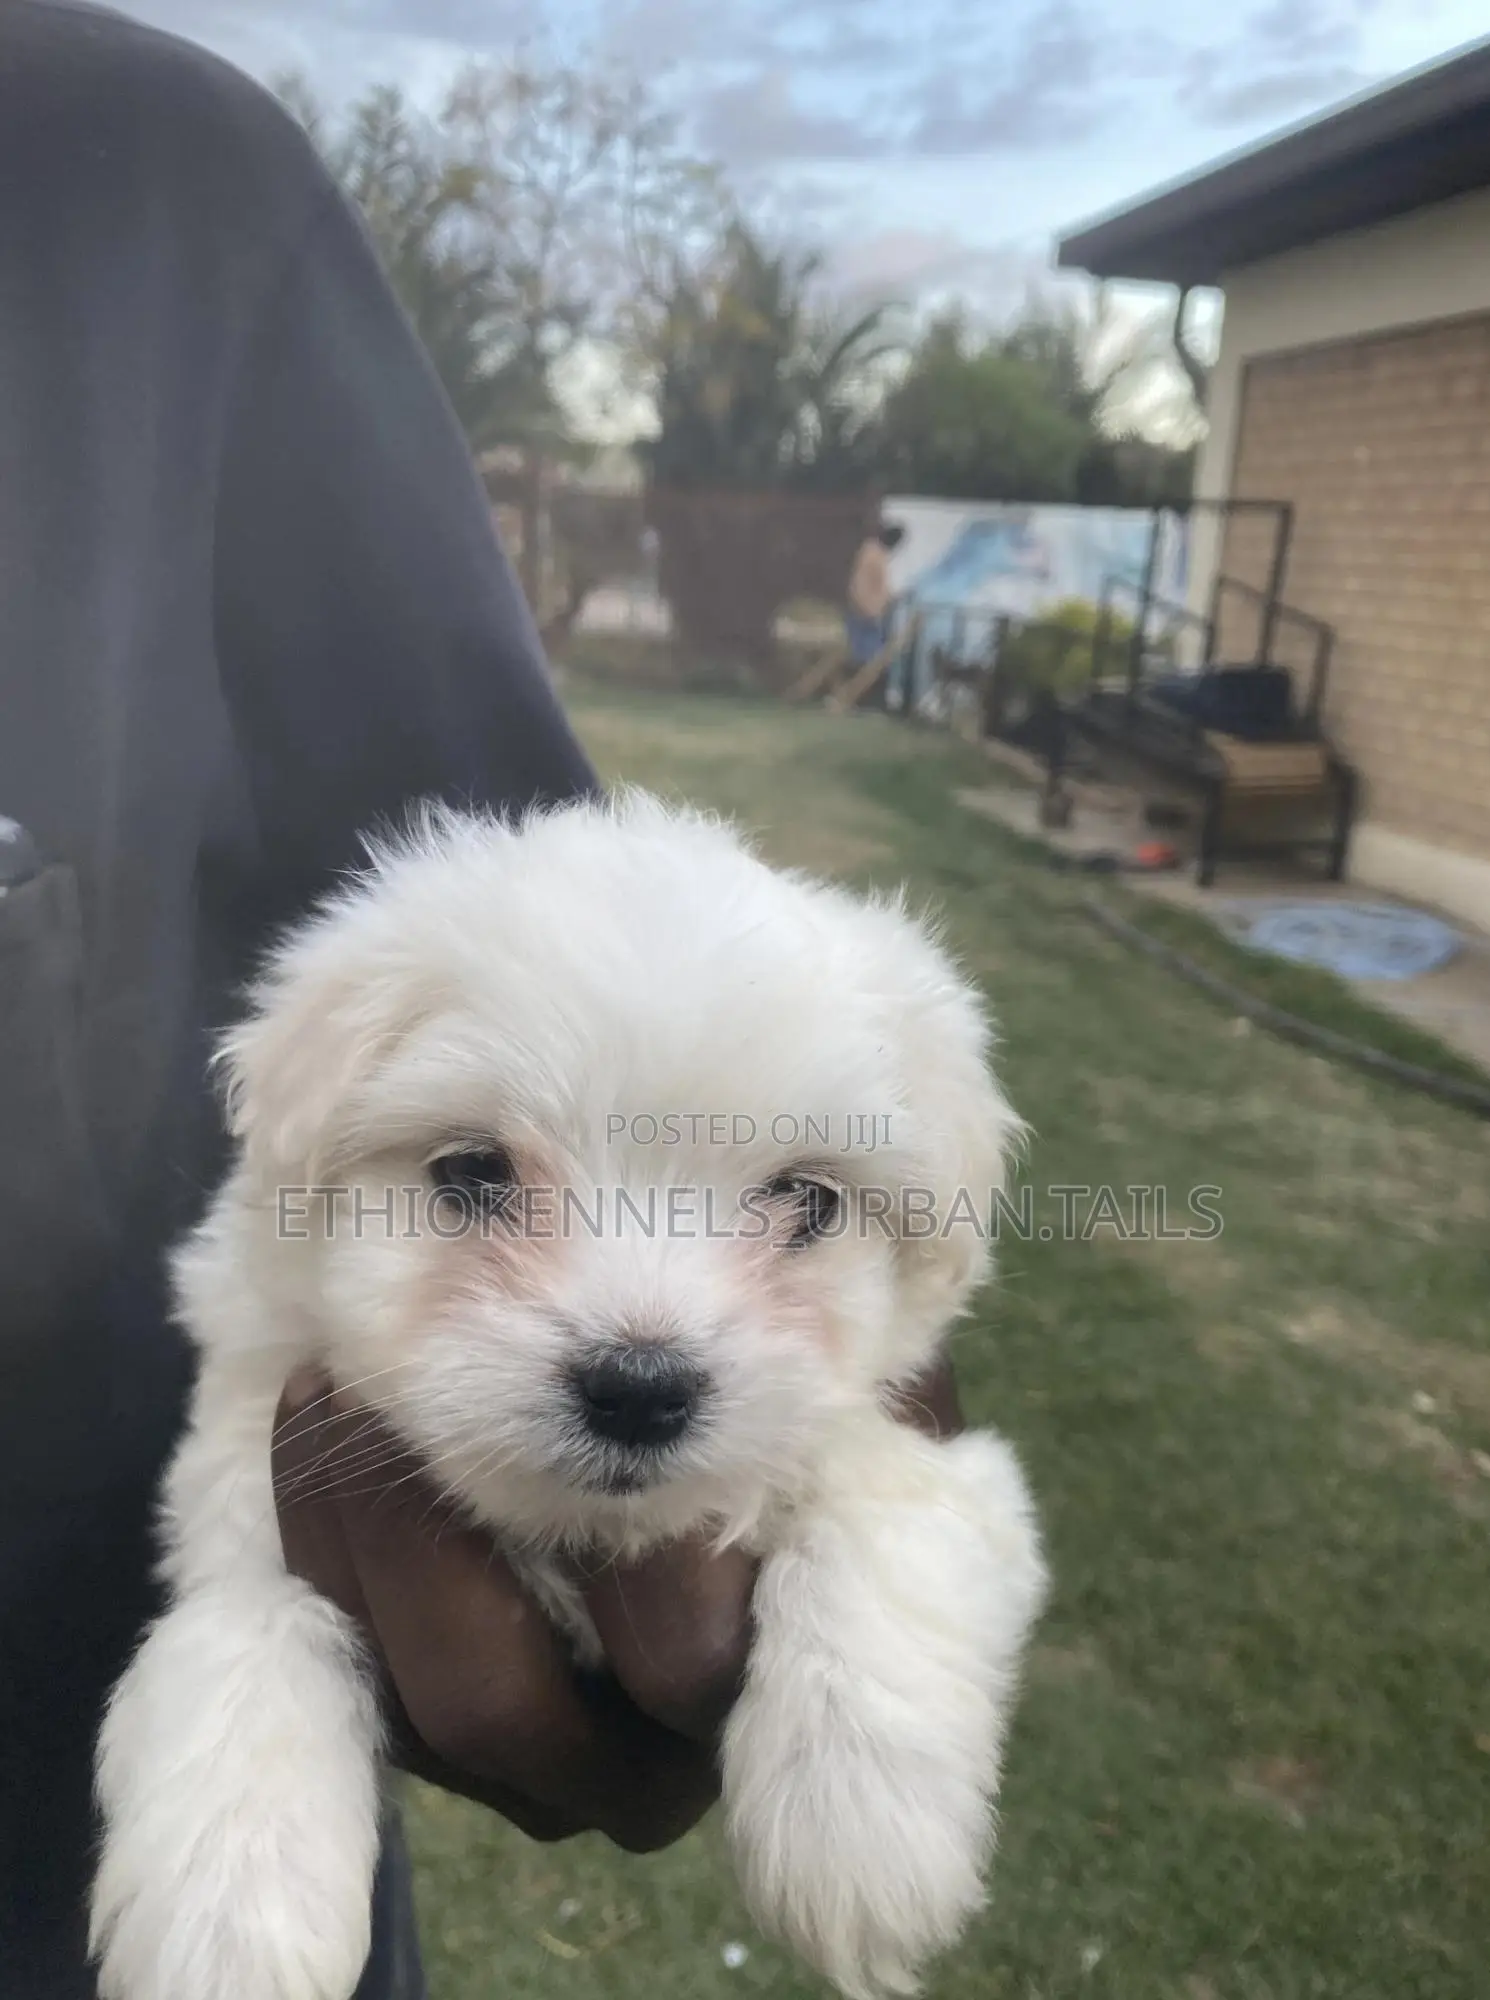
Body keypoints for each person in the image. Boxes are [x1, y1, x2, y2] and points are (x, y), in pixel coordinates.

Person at [0, 8, 958, 1997]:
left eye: (786, 1203)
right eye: (481, 1178)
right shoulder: (310, 1177)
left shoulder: (144, 173)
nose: (638, 1327)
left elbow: (511, 883)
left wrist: (872, 1576)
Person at [845, 520, 907, 672]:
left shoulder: (874, 553)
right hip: (866, 612)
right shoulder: (874, 555)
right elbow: (863, 584)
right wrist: (871, 608)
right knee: (868, 654)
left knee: (868, 650)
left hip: (867, 609)